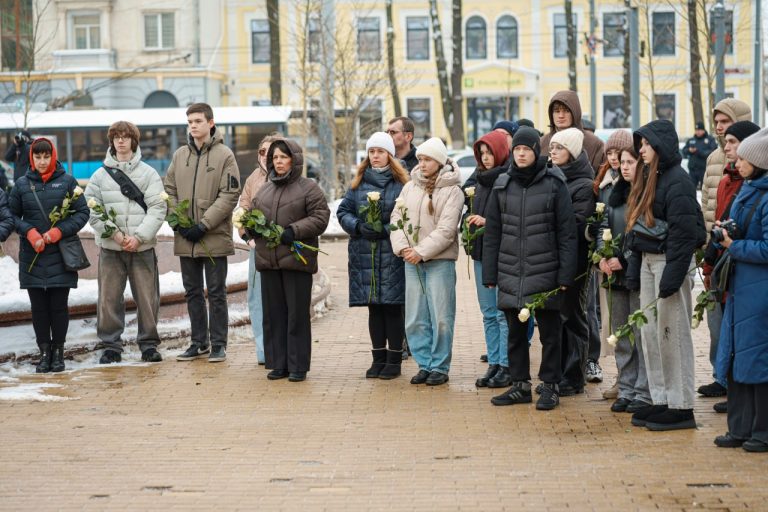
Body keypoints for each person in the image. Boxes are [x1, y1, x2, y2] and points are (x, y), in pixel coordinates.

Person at [483, 126, 577, 411]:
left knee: (550, 334)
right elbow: (493, 234)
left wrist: (565, 275)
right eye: (517, 149)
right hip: (512, 271)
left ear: (536, 151)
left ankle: (550, 386)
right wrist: (490, 274)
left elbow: (567, 232)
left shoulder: (554, 183)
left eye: (526, 149)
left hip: (546, 271)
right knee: (515, 333)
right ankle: (519, 385)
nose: (521, 154)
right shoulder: (502, 184)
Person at [626, 120, 706, 431]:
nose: (640, 149)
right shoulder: (649, 176)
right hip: (649, 259)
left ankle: (681, 405)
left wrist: (672, 276)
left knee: (673, 335)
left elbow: (686, 233)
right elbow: (638, 227)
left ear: (659, 145)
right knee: (651, 333)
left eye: (645, 144)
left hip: (668, 262)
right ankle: (661, 399)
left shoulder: (678, 181)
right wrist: (636, 268)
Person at [84, 121, 166, 364]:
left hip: (142, 247)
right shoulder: (99, 176)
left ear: (134, 141)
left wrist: (139, 237)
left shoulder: (149, 173)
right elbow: (92, 209)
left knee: (147, 298)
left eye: (125, 136)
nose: (121, 141)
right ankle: (111, 346)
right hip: (111, 248)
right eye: (116, 137)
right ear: (112, 141)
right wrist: (115, 235)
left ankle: (149, 344)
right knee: (109, 298)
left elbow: (158, 207)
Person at [164, 103, 240, 363]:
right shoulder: (180, 156)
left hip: (213, 236)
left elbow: (229, 195)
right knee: (192, 291)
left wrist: (204, 224)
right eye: (189, 121)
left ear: (210, 123)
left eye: (197, 120)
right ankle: (199, 342)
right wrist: (179, 222)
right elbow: (169, 190)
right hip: (186, 236)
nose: (193, 125)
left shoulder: (225, 155)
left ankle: (219, 343)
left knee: (216, 292)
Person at [252, 138, 330, 382]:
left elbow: (320, 217)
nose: (279, 161)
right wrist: (249, 227)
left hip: (296, 261)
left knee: (296, 315)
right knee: (274, 315)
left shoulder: (309, 188)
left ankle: (297, 366)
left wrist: (293, 231)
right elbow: (254, 215)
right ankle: (279, 363)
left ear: (294, 159)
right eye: (275, 157)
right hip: (269, 262)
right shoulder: (264, 189)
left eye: (283, 157)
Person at [8, 138, 89, 373]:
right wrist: (30, 232)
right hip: (32, 254)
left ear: (53, 156)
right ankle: (44, 353)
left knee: (58, 307)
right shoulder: (22, 184)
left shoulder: (67, 181)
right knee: (39, 309)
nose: (42, 161)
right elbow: (11, 216)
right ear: (31, 158)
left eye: (46, 157)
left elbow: (82, 212)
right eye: (37, 157)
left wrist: (58, 231)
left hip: (60, 255)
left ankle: (58, 353)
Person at [390, 137, 464, 386]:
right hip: (411, 262)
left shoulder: (452, 190)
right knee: (415, 316)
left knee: (441, 316)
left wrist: (421, 251)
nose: (421, 163)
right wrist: (403, 248)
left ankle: (440, 366)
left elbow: (447, 230)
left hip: (438, 262)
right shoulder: (410, 187)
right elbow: (395, 217)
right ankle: (424, 363)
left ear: (439, 161)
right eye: (420, 159)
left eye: (427, 159)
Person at [713, 127, 768, 452]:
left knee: (758, 359)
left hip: (759, 290)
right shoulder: (747, 188)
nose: (738, 160)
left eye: (745, 156)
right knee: (736, 356)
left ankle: (761, 431)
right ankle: (740, 427)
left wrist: (734, 244)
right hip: (740, 286)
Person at [337, 132, 408, 379]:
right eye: (371, 152)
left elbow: (407, 218)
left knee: (392, 308)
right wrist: (358, 226)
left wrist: (385, 230)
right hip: (364, 253)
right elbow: (343, 211)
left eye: (380, 151)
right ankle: (378, 358)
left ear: (390, 154)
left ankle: (395, 360)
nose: (375, 156)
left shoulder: (402, 184)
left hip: (391, 254)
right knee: (374, 309)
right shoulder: (358, 183)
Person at [701, 121, 760, 413]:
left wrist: (729, 246)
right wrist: (711, 254)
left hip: (750, 277)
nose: (728, 149)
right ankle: (732, 393)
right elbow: (716, 217)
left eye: (734, 142)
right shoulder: (729, 180)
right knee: (727, 334)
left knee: (749, 345)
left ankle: (750, 412)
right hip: (732, 271)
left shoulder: (753, 189)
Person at [598, 144, 651, 413]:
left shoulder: (647, 194)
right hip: (613, 276)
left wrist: (625, 258)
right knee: (621, 335)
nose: (626, 166)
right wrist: (602, 256)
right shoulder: (613, 194)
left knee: (640, 334)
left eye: (631, 161)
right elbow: (602, 227)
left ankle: (643, 391)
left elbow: (644, 233)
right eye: (622, 161)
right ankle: (626, 389)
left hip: (637, 273)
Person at [548, 128, 596, 396]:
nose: (552, 152)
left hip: (575, 260)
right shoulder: (552, 176)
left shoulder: (582, 183)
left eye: (559, 148)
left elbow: (577, 225)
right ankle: (560, 371)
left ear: (572, 152)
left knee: (572, 314)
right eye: (551, 147)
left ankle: (575, 374)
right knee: (556, 315)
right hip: (553, 258)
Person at [587, 129, 634, 389]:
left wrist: (623, 257)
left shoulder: (634, 183)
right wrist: (600, 256)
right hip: (608, 263)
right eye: (611, 154)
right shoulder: (603, 182)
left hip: (628, 262)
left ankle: (632, 381)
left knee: (630, 324)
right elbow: (600, 220)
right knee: (613, 325)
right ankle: (622, 378)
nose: (615, 159)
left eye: (621, 154)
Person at [467, 131, 512, 389]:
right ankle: (494, 362)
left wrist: (488, 222)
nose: (485, 158)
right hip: (481, 252)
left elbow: (512, 216)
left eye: (489, 153)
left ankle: (507, 364)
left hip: (502, 254)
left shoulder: (507, 179)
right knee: (487, 313)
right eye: (481, 154)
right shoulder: (481, 181)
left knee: (501, 313)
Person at [239, 133, 281, 365]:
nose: (266, 156)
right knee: (257, 300)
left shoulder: (288, 176)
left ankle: (281, 349)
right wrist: (246, 235)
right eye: (262, 152)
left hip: (282, 248)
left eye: (271, 152)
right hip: (258, 249)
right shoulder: (254, 178)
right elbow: (243, 208)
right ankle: (264, 351)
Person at [540, 91, 606, 173]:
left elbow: (602, 177)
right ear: (551, 114)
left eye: (566, 111)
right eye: (557, 111)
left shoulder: (594, 143)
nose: (561, 116)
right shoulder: (542, 143)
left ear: (575, 112)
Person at [683, 122, 717, 190]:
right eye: (696, 130)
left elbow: (712, 152)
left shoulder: (710, 139)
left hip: (705, 170)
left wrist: (698, 151)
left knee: (705, 190)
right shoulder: (691, 140)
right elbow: (684, 151)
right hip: (693, 170)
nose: (697, 132)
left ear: (703, 130)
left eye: (699, 130)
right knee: (690, 189)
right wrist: (689, 150)